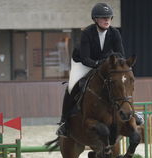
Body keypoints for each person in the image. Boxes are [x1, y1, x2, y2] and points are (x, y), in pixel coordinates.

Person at [56, 2, 143, 137]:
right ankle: (64, 122)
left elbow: (120, 55)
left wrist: (112, 64)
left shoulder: (115, 33)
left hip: (106, 65)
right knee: (72, 86)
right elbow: (85, 58)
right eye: (103, 18)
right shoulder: (87, 33)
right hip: (84, 63)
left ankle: (132, 112)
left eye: (109, 17)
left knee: (122, 82)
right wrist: (99, 64)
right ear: (95, 19)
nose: (107, 20)